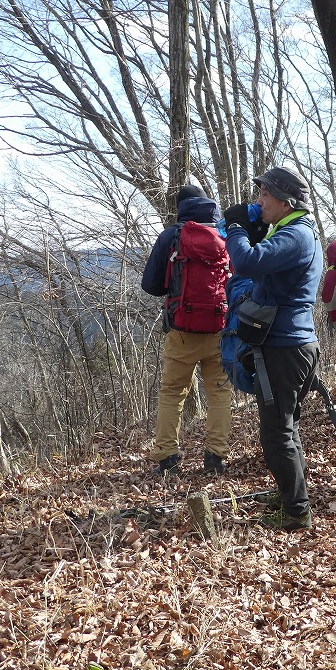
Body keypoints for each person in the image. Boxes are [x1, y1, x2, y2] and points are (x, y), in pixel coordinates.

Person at [223, 166, 323, 530]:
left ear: (286, 201)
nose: (258, 201)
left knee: (276, 432)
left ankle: (296, 512)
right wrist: (251, 232)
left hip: (285, 347)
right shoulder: (292, 231)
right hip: (289, 344)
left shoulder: (297, 234)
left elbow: (246, 262)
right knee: (286, 427)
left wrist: (236, 228)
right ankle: (291, 496)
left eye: (264, 194)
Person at [141, 185, 234, 477]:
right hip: (220, 328)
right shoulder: (226, 234)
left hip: (182, 330)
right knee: (219, 392)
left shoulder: (171, 236)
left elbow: (150, 285)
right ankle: (215, 458)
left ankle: (168, 460)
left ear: (181, 207)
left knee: (172, 392)